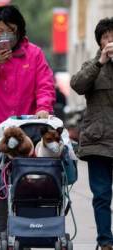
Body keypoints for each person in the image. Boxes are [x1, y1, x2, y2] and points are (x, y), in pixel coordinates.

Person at [0, 5, 55, 248]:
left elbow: (45, 85)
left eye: (10, 31)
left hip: (27, 133)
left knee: (27, 182)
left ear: (19, 30)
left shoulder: (34, 54)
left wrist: (44, 107)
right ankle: (2, 235)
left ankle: (26, 231)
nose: (4, 36)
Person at [70, 17, 113, 250]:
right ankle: (105, 242)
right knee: (102, 195)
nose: (111, 40)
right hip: (98, 140)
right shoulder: (92, 64)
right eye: (107, 37)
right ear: (100, 42)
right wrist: (100, 62)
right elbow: (77, 85)